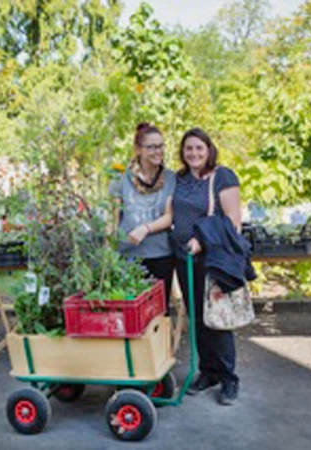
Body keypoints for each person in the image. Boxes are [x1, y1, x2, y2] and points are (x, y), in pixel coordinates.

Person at [171, 127, 246, 405]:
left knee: (217, 318)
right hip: (184, 260)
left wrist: (201, 242)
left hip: (212, 260)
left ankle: (229, 379)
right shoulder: (179, 179)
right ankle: (208, 372)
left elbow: (233, 220)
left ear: (208, 149)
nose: (193, 153)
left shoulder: (222, 176)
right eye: (188, 148)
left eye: (199, 148)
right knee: (198, 319)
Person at [110, 122, 176, 305]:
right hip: (128, 255)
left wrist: (145, 229)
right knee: (130, 311)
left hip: (160, 255)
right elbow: (113, 219)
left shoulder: (170, 178)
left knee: (159, 313)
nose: (158, 151)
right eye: (151, 147)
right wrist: (109, 248)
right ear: (138, 149)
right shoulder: (120, 178)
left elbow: (169, 216)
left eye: (161, 146)